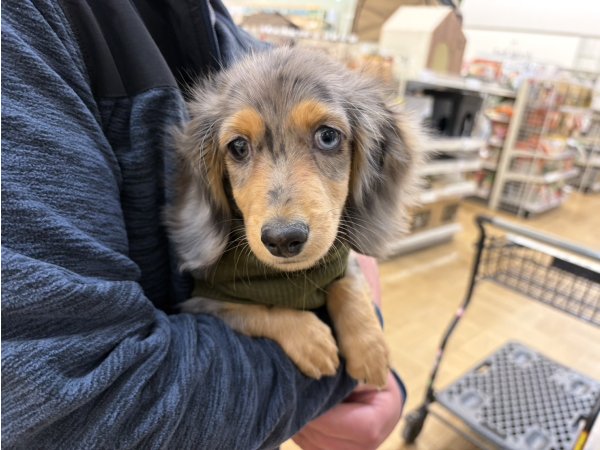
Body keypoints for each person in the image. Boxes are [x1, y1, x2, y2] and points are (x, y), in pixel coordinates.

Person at [1, 1, 405, 448]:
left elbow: (347, 262)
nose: (282, 220)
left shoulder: (232, 36)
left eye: (326, 137)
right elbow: (70, 408)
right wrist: (287, 337)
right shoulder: (26, 24)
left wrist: (355, 303)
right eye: (239, 149)